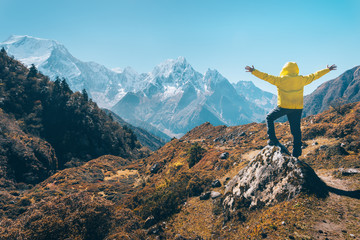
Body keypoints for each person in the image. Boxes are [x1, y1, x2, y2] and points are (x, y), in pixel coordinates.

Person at [245, 62, 337, 158]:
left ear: (284, 69)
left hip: (284, 106)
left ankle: (272, 139)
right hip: (297, 108)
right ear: (296, 70)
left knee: (269, 118)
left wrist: (254, 71)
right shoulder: (301, 79)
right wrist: (327, 70)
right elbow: (315, 76)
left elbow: (265, 76)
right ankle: (296, 153)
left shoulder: (280, 80)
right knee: (296, 131)